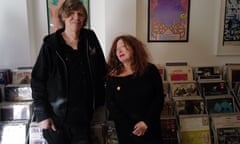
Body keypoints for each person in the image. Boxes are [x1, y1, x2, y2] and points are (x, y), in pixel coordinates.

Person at [31, 0, 106, 143]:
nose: (76, 17)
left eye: (80, 14)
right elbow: (37, 81)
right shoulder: (51, 45)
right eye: (71, 13)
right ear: (63, 17)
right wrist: (42, 114)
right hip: (57, 119)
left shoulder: (90, 39)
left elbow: (102, 69)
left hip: (85, 118)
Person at [105, 35, 165, 144]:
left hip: (150, 128)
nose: (119, 51)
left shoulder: (150, 70)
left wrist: (146, 123)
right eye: (116, 49)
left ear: (134, 48)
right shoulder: (112, 76)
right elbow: (111, 104)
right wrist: (131, 127)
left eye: (123, 46)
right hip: (126, 132)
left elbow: (159, 98)